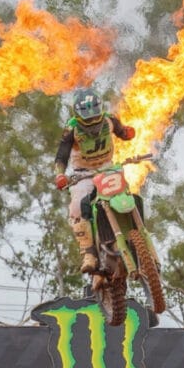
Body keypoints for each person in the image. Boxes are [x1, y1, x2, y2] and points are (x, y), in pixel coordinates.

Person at [54, 89, 136, 273]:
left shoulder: (109, 120)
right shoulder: (71, 129)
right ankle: (89, 253)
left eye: (93, 111)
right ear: (77, 113)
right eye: (86, 113)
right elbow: (61, 156)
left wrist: (128, 133)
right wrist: (60, 174)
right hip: (83, 174)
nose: (91, 119)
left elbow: (122, 132)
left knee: (128, 193)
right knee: (77, 207)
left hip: (109, 168)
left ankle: (134, 234)